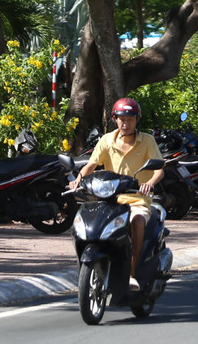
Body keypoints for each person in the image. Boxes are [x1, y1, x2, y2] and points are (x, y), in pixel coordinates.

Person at [70, 97, 164, 285]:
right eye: (122, 118)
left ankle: (131, 272)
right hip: (110, 199)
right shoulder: (106, 140)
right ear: (115, 119)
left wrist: (150, 183)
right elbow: (91, 165)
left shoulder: (147, 140)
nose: (125, 123)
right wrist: (78, 179)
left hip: (137, 200)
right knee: (85, 224)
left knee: (137, 222)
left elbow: (159, 169)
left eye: (130, 119)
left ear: (137, 120)